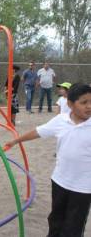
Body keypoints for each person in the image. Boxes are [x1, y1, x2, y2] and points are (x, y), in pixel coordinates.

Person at [5, 83, 91, 237]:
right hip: (59, 181)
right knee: (55, 219)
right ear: (70, 104)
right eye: (84, 102)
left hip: (83, 188)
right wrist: (16, 141)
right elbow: (38, 132)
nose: (89, 106)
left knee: (74, 226)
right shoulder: (61, 121)